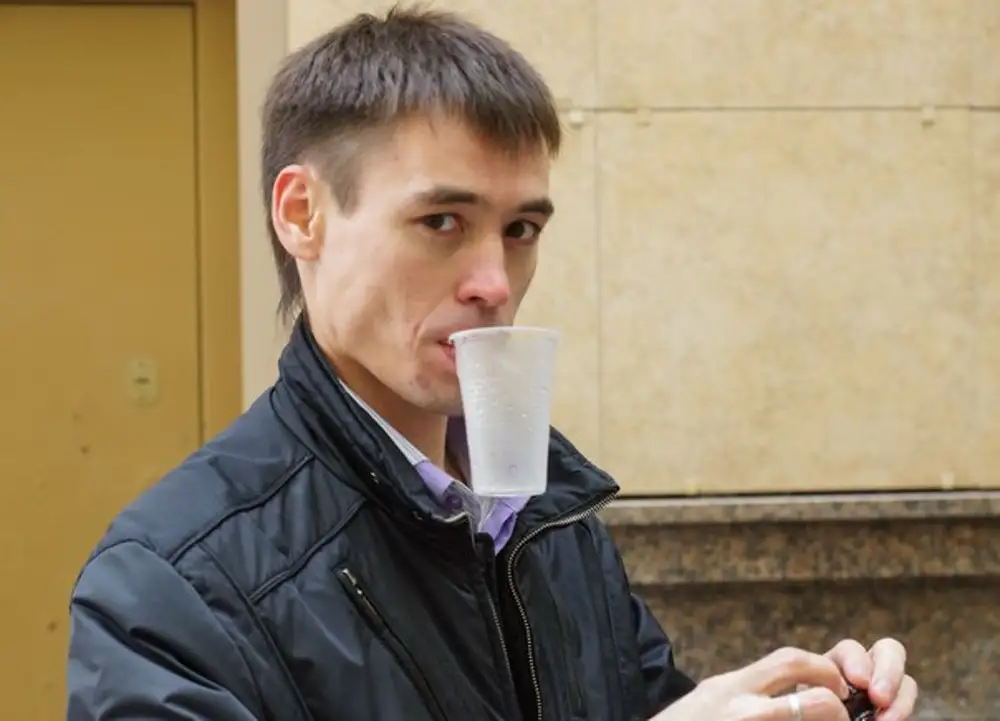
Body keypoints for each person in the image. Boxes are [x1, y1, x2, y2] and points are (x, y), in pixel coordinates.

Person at [65, 7, 918, 721]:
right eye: (442, 221)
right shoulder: (170, 585)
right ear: (303, 214)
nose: (495, 282)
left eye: (521, 230)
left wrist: (800, 702)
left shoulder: (548, 515)